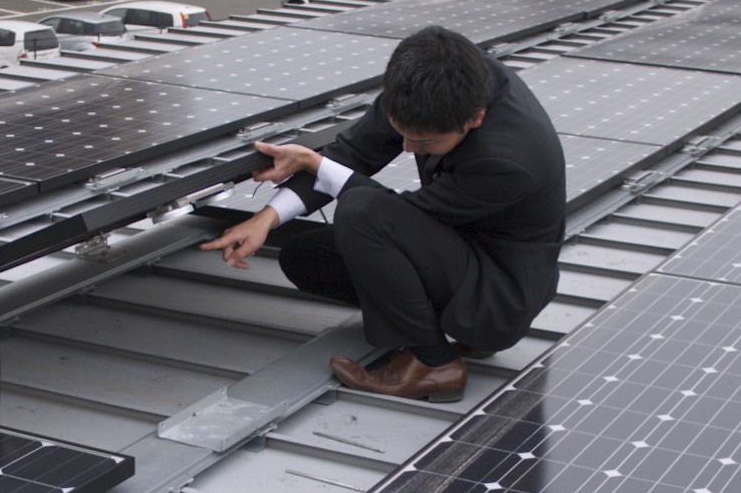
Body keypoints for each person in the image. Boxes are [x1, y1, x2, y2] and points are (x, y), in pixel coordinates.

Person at [200, 25, 565, 403]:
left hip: (497, 297)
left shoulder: (508, 161)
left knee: (362, 212)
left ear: (475, 117)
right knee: (307, 257)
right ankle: (430, 326)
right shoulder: (430, 80)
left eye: (423, 142)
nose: (406, 147)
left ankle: (433, 363)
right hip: (458, 250)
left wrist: (313, 162)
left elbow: (392, 215)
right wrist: (266, 218)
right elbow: (354, 153)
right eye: (400, 133)